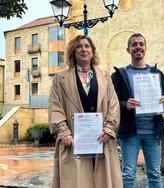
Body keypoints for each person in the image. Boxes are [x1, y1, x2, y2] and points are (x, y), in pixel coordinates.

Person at [48, 35, 122, 188]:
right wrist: (64, 132)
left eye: (87, 46)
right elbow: (55, 106)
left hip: (101, 139)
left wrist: (109, 128)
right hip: (74, 141)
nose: (83, 49)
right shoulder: (60, 78)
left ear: (92, 51)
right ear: (73, 52)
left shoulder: (105, 76)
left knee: (103, 181)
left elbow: (114, 104)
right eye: (79, 46)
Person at [111, 33, 164, 188]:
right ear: (128, 49)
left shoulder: (157, 74)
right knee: (128, 174)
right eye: (134, 44)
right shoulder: (118, 76)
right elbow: (111, 104)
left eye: (141, 44)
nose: (138, 47)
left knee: (154, 174)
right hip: (130, 132)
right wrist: (125, 105)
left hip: (153, 131)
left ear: (146, 48)